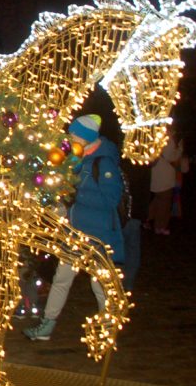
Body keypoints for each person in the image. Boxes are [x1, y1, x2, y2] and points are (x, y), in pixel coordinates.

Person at [25, 114, 124, 341]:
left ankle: (108, 329)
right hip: (75, 232)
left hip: (97, 235)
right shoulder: (77, 160)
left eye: (74, 134)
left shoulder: (103, 162)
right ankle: (47, 323)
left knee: (100, 284)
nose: (69, 138)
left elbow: (110, 200)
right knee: (61, 278)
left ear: (85, 137)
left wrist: (76, 195)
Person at [146, 132, 184, 235]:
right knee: (164, 203)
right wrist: (180, 149)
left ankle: (146, 219)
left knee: (157, 200)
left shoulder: (154, 137)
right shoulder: (167, 139)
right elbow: (171, 157)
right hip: (164, 177)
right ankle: (160, 226)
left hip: (156, 175)